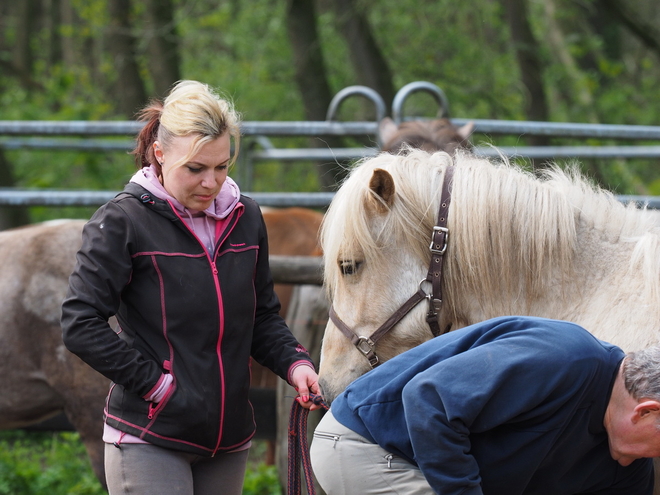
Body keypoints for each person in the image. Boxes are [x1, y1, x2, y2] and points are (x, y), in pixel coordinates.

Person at [61, 80, 321, 495]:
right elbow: (80, 323)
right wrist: (157, 386)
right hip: (150, 438)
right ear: (160, 154)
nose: (211, 182)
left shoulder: (247, 218)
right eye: (195, 169)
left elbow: (261, 316)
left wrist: (296, 364)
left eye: (222, 166)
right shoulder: (121, 222)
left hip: (230, 442)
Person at [310, 315, 660, 495]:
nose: (653, 459)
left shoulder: (628, 466)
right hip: (367, 442)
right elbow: (427, 399)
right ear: (645, 411)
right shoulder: (567, 359)